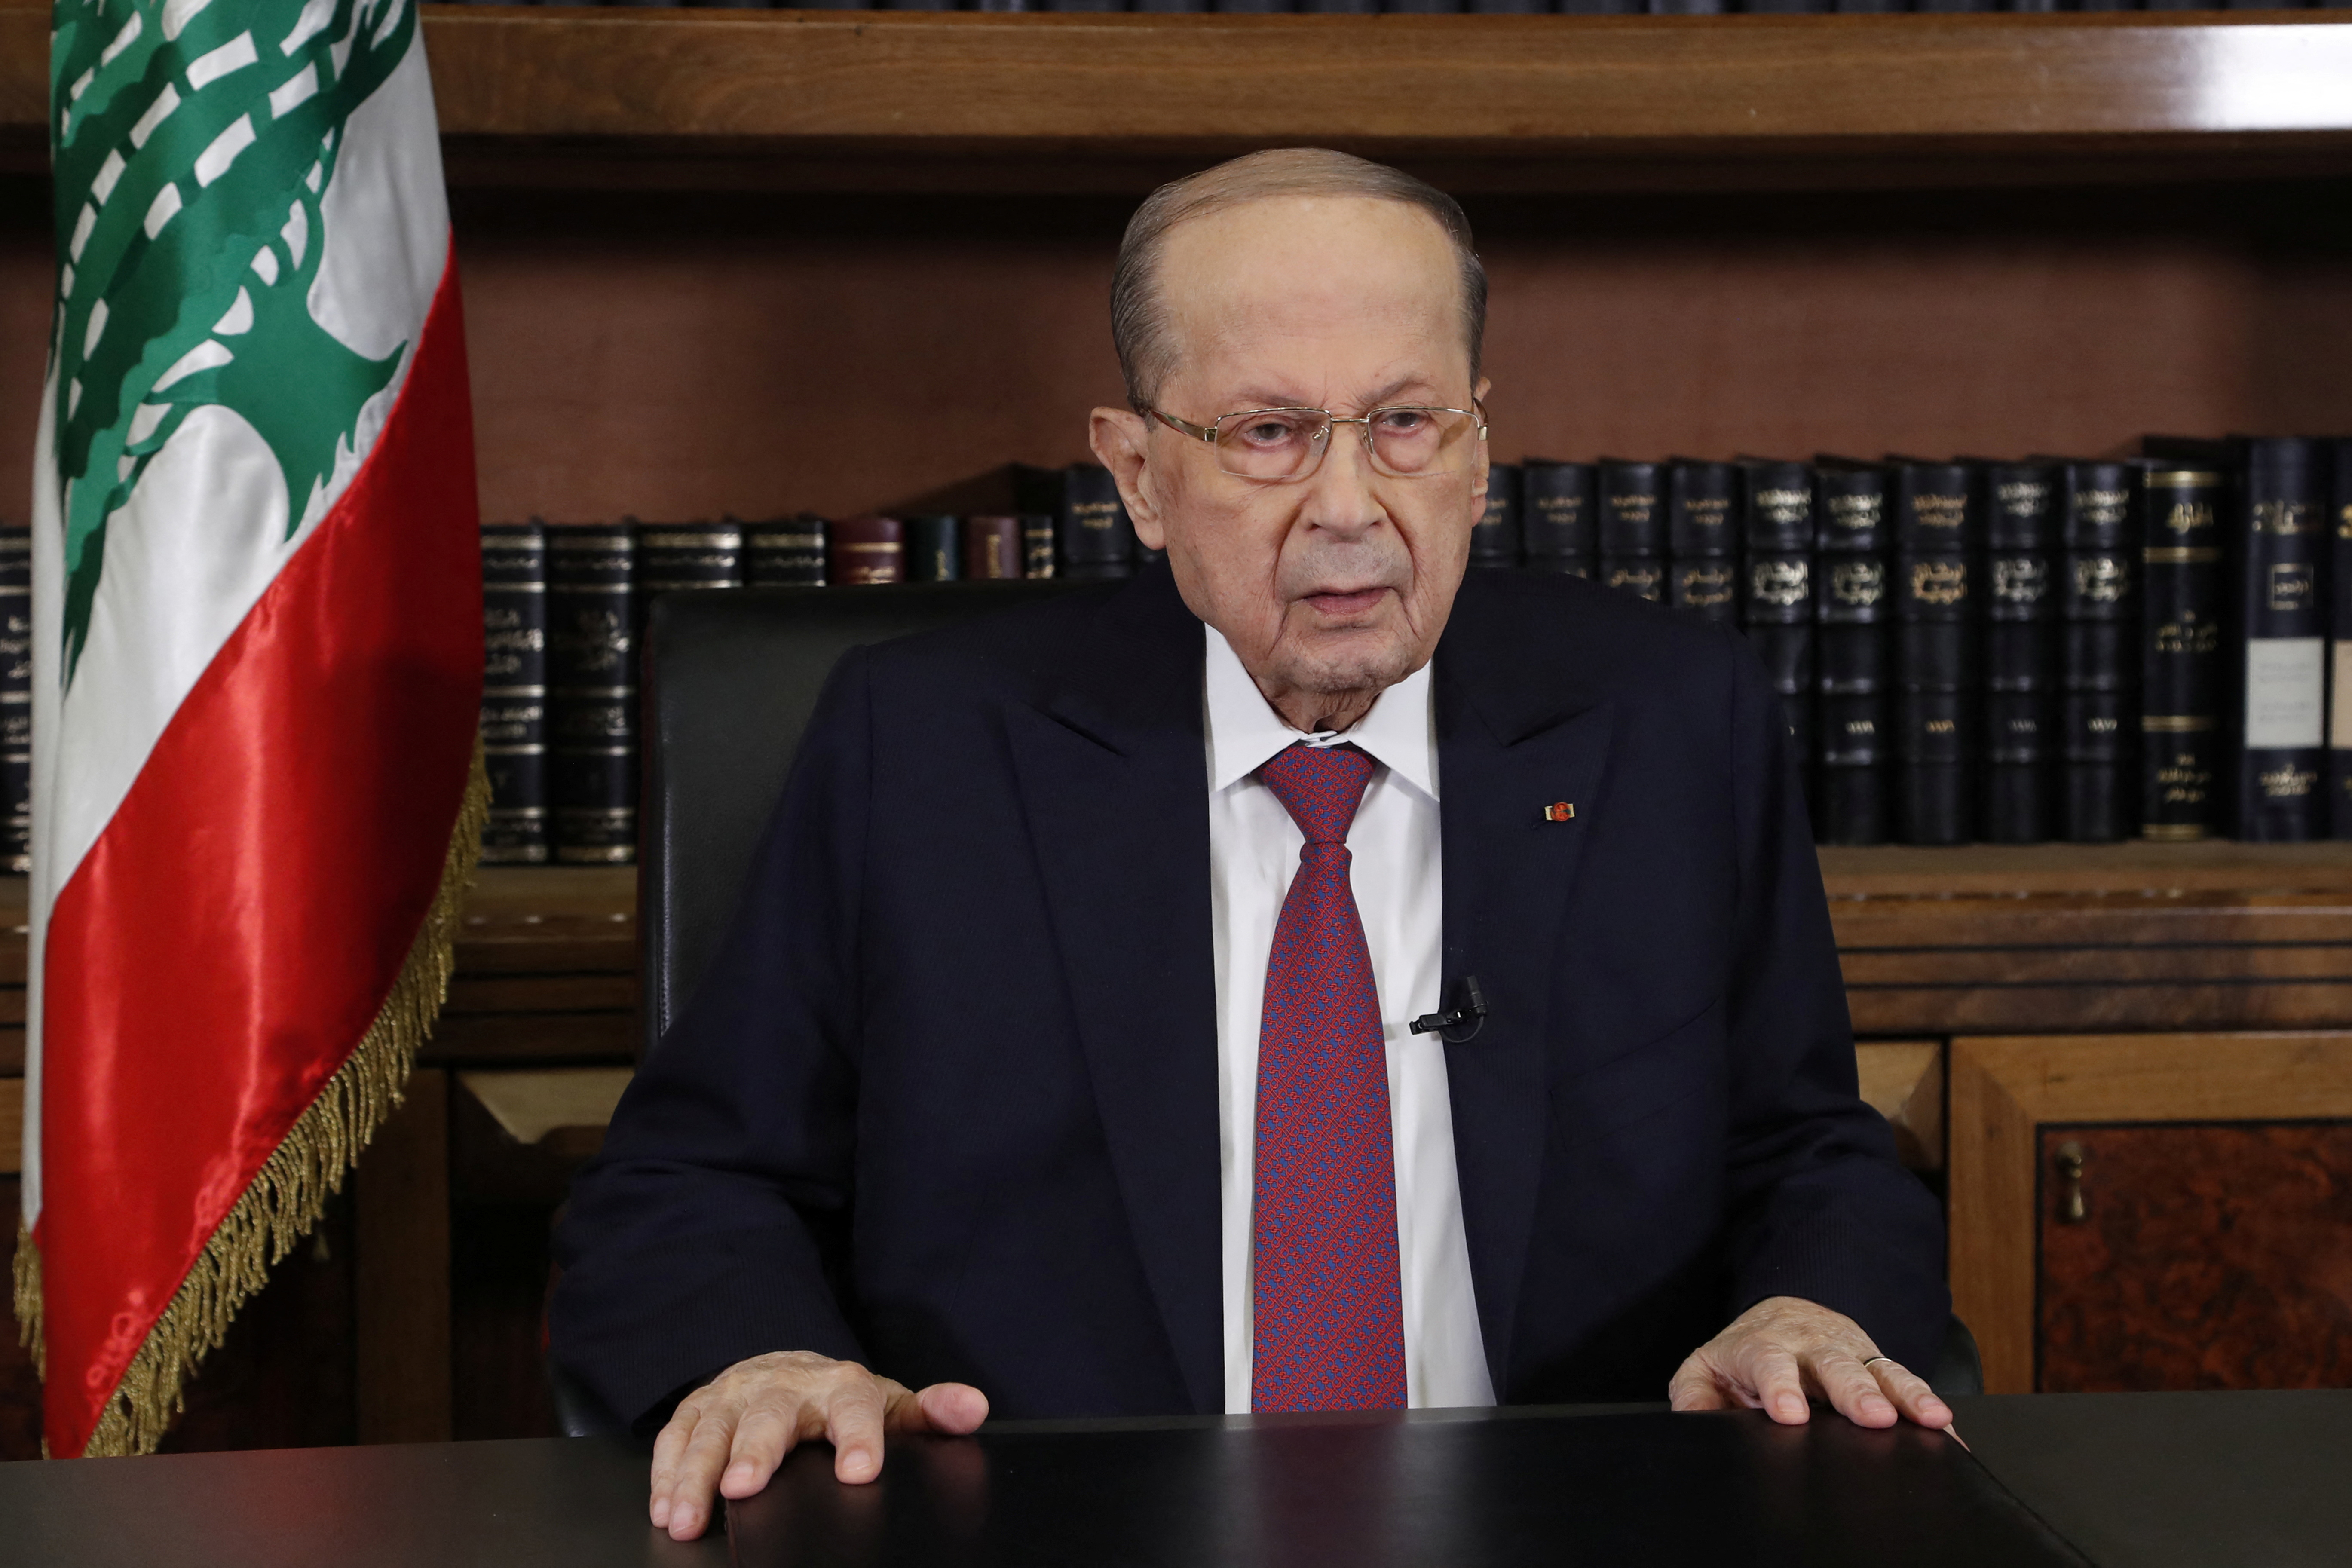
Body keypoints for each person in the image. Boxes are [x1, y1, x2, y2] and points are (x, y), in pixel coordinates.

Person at [551, 147, 1951, 1545]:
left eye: (1406, 423)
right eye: (1269, 433)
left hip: (1571, 1529)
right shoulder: (922, 748)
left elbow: (1807, 1149)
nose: (1349, 506)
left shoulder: (1667, 722)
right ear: (1139, 474)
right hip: (1057, 1536)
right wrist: (767, 1360)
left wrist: (1807, 1308)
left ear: (1478, 451)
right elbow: (694, 1180)